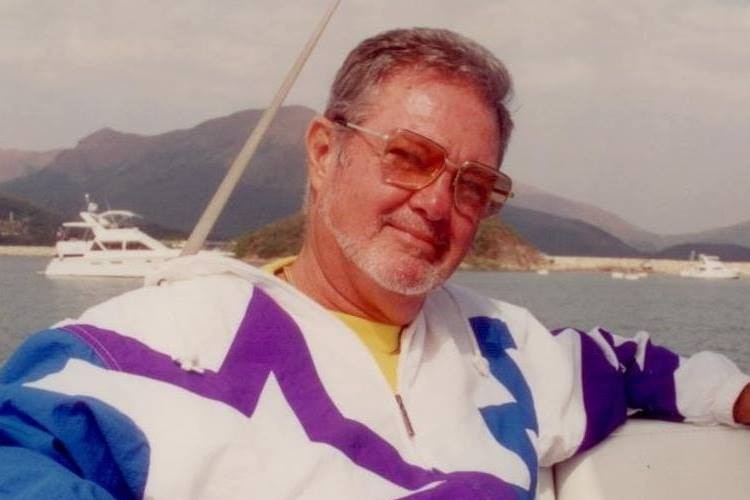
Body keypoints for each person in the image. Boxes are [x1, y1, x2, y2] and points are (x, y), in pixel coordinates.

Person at [1, 28, 748, 500]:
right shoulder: (167, 343)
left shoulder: (507, 353)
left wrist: (735, 394)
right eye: (409, 158)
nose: (436, 203)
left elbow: (628, 369)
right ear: (326, 153)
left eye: (472, 185)